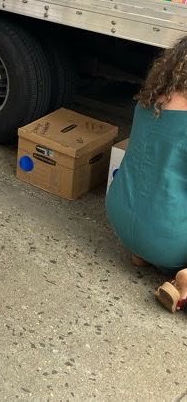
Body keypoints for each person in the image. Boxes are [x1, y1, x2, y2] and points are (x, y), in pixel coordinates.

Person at [105, 36, 187, 312]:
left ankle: (142, 255)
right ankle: (182, 279)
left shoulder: (148, 100)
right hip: (167, 237)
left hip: (120, 214)